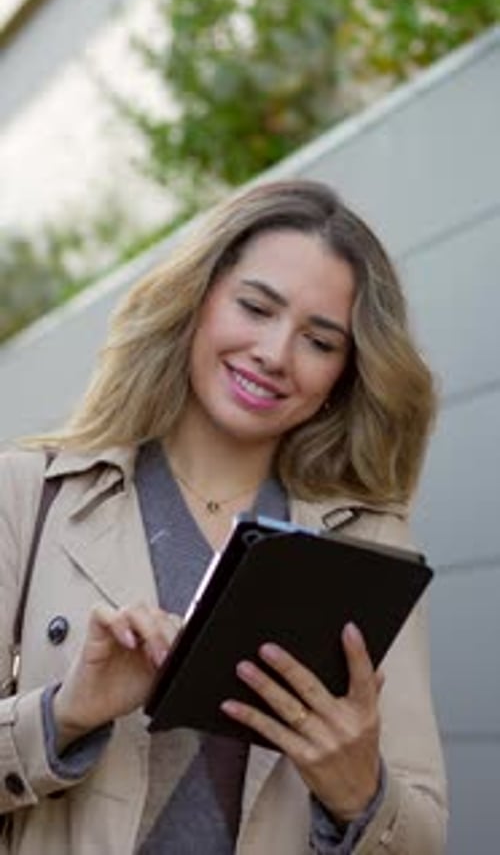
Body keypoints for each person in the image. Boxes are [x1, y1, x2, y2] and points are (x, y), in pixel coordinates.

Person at [0, 179, 447, 854]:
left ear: (345, 374)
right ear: (198, 299)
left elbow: (424, 836)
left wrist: (358, 792)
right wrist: (66, 715)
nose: (274, 353)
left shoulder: (368, 543)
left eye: (320, 342)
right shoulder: (29, 494)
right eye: (255, 306)